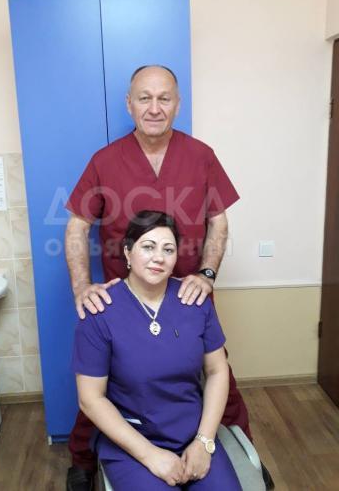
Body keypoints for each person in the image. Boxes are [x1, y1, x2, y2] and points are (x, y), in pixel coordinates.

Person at [65, 65, 265, 490]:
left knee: (218, 377)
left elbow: (219, 221)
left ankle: (238, 448)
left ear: (177, 104)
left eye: (164, 98)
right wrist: (81, 286)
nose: (154, 108)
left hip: (187, 295)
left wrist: (207, 274)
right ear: (129, 104)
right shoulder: (105, 161)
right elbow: (77, 226)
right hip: (126, 299)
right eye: (144, 98)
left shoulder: (200, 155)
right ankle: (84, 460)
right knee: (108, 384)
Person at [74, 210, 241, 490]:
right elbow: (91, 399)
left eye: (168, 249)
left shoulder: (196, 301)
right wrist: (150, 455)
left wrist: (203, 441)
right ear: (127, 253)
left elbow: (217, 371)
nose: (159, 257)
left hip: (193, 434)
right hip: (132, 442)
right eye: (148, 247)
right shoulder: (100, 310)